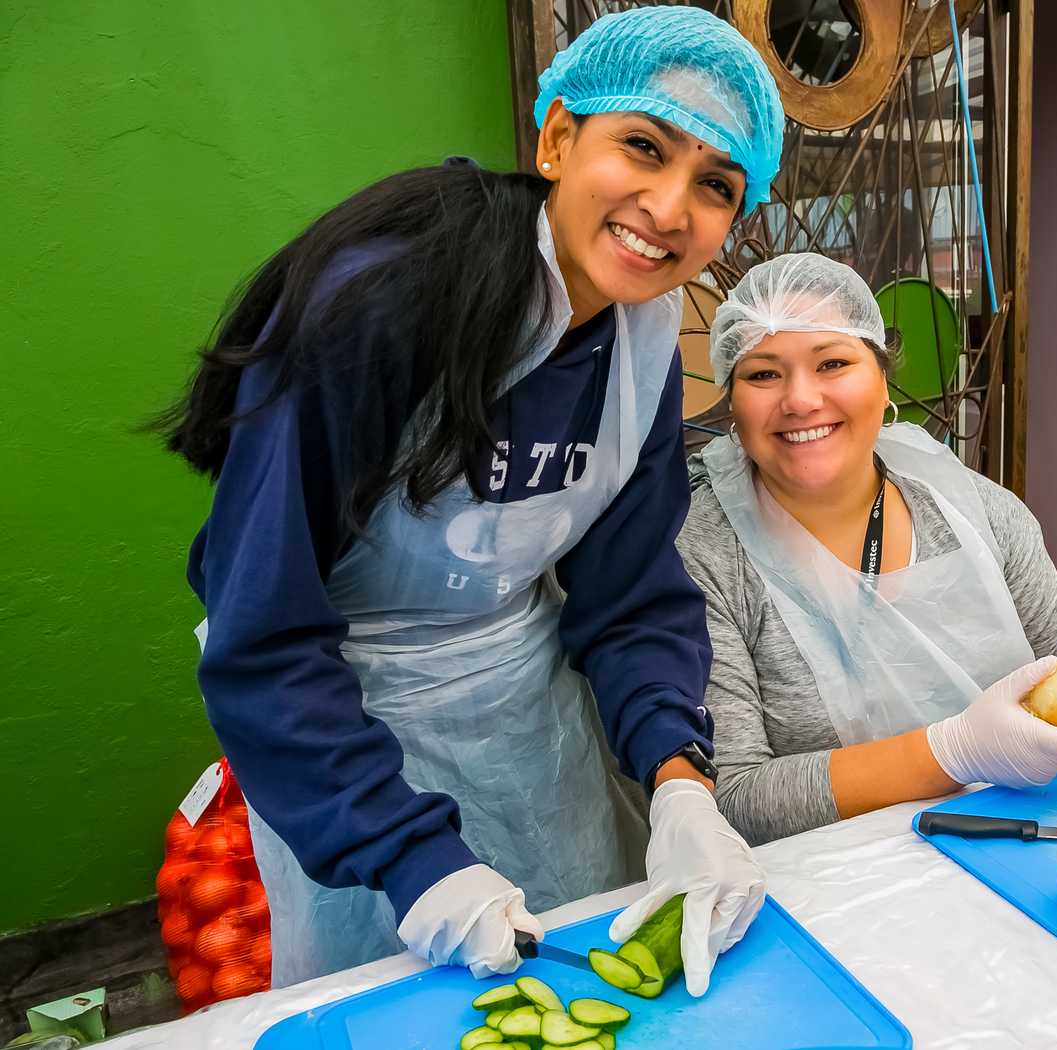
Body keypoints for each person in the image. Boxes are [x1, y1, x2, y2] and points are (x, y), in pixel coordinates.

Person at [157, 7, 785, 991]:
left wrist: (678, 781)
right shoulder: (378, 306)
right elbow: (263, 635)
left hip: (534, 726)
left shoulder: (647, 346)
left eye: (716, 186)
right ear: (556, 138)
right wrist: (410, 861)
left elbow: (629, 597)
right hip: (346, 749)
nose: (669, 208)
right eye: (642, 147)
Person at [675, 254, 1057, 845]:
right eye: (763, 374)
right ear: (731, 404)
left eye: (832, 362)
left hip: (1008, 859)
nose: (800, 400)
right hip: (826, 895)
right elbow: (733, 799)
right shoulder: (702, 554)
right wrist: (953, 751)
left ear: (881, 380)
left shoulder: (974, 511)